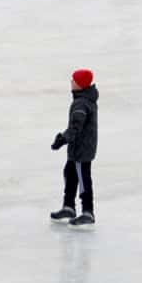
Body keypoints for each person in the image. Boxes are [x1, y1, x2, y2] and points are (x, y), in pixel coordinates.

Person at [49, 68, 98, 229]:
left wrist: (62, 139)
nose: (71, 82)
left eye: (74, 80)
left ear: (80, 85)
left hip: (81, 151)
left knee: (83, 180)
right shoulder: (84, 100)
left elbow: (76, 127)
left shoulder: (81, 104)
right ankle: (69, 207)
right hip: (78, 149)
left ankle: (87, 212)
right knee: (69, 173)